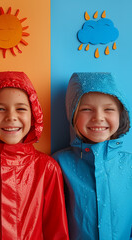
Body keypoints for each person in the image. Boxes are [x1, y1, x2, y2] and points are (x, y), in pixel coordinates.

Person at [0, 71, 69, 239]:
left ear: (33, 114)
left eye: (21, 108)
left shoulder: (47, 168)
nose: (11, 117)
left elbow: (56, 230)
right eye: (0, 108)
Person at [52, 72, 132, 239]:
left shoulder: (129, 164)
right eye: (86, 109)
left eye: (109, 109)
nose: (98, 117)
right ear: (73, 113)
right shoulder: (58, 164)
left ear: (121, 114)